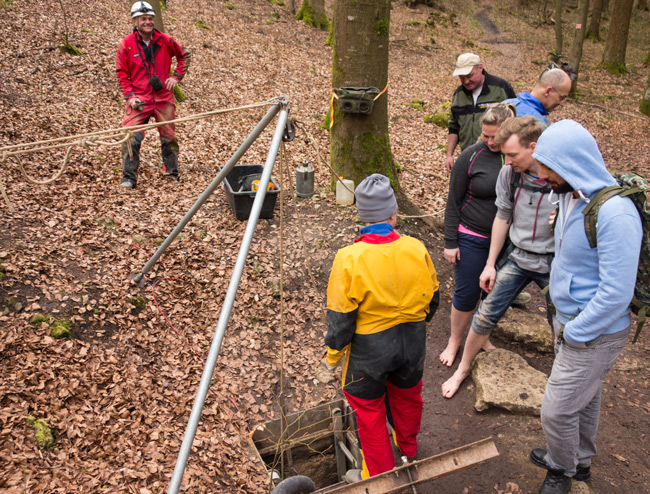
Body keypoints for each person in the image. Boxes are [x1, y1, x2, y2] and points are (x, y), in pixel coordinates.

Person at [530, 120, 642, 494]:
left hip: (594, 331)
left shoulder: (617, 215)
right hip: (568, 319)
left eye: (548, 167)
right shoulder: (569, 195)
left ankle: (559, 469)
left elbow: (616, 292)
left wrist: (575, 332)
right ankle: (580, 462)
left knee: (557, 410)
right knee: (586, 395)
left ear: (572, 162)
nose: (542, 174)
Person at [322, 174, 439, 482]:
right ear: (394, 213)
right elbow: (434, 299)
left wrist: (332, 358)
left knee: (369, 411)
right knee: (408, 396)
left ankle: (380, 475)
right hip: (412, 343)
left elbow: (340, 320)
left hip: (370, 351)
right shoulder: (417, 248)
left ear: (362, 215)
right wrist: (414, 324)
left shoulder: (349, 257)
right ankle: (408, 449)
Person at [441, 115, 554, 398]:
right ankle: (463, 369)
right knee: (485, 313)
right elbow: (503, 216)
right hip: (517, 256)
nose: (506, 161)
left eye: (512, 154)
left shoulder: (560, 176)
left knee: (561, 323)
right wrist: (490, 264)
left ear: (533, 147)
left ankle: (559, 382)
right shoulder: (509, 174)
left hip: (553, 263)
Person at [440, 103, 515, 367]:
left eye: (495, 136)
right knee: (466, 292)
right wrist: (451, 242)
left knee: (492, 293)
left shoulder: (514, 157)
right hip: (471, 236)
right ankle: (455, 340)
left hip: (507, 242)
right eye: (485, 135)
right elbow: (453, 201)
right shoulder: (471, 156)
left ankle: (481, 336)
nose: (490, 141)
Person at [116, 1, 190, 189]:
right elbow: (122, 73)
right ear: (135, 20)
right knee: (130, 135)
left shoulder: (165, 39)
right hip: (139, 99)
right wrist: (130, 96)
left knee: (169, 137)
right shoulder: (126, 44)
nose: (147, 22)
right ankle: (129, 178)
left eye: (150, 19)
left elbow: (184, 55)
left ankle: (171, 173)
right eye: (143, 19)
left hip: (164, 98)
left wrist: (176, 76)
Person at [445, 53, 515, 172]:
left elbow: (514, 124)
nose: (466, 81)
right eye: (462, 77)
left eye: (469, 75)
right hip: (469, 157)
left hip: (499, 158)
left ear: (480, 68)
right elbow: (454, 127)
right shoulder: (458, 95)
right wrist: (449, 155)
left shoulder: (501, 88)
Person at [504, 69, 571, 127]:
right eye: (561, 98)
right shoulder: (538, 123)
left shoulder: (505, 104)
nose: (562, 104)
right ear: (548, 91)